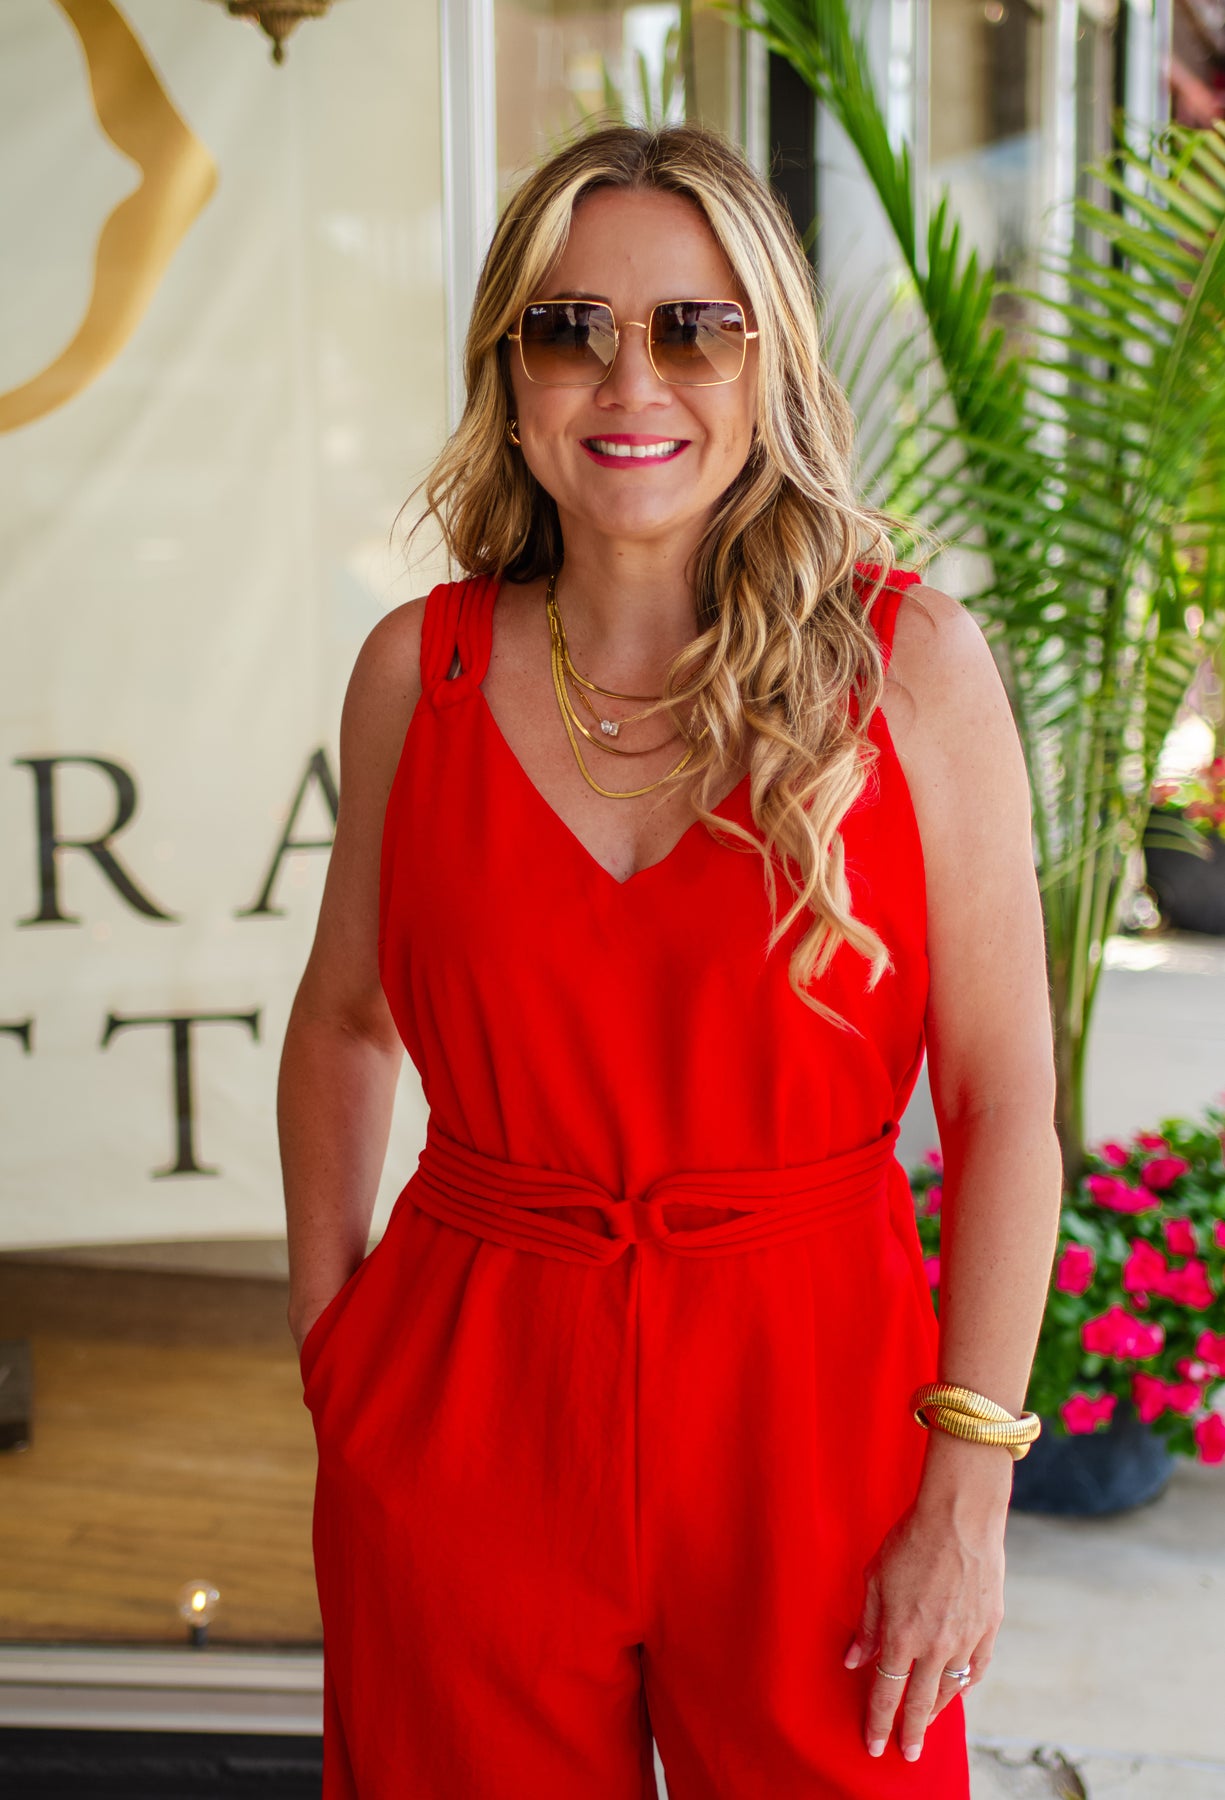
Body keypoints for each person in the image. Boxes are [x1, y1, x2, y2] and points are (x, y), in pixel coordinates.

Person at [278, 121, 1062, 1799]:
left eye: (695, 327)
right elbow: (344, 1023)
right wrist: (337, 1349)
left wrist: (970, 1480)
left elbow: (1005, 1104)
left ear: (768, 360)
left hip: (815, 1403)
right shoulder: (418, 672)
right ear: (510, 373)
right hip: (470, 1394)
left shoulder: (909, 667)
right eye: (570, 327)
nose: (630, 380)